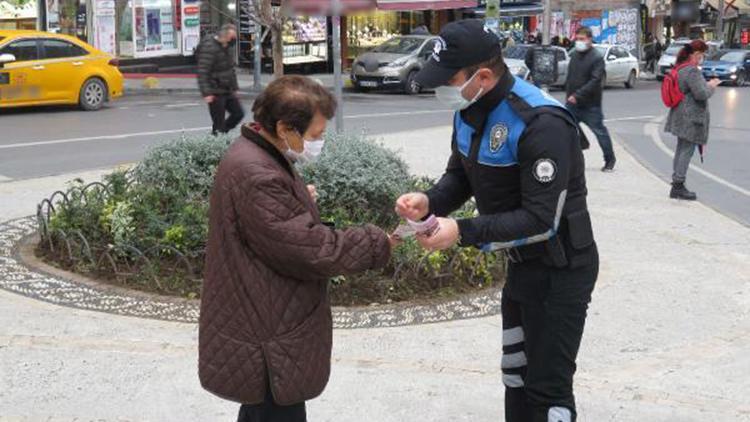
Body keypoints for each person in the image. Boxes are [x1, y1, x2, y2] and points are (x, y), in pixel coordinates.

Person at [399, 19, 598, 422]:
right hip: (522, 268)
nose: (441, 89)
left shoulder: (542, 123)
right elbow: (460, 175)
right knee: (515, 374)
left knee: (548, 390)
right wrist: (429, 202)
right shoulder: (470, 109)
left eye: (448, 79)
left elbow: (542, 220)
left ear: (483, 76)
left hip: (561, 271)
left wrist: (463, 231)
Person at [199, 75, 395, 422]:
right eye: (315, 135)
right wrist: (376, 240)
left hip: (267, 320)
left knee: (262, 411)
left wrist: (297, 198)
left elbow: (276, 227)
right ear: (285, 127)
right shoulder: (257, 173)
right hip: (270, 335)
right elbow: (308, 249)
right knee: (274, 411)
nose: (319, 142)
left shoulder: (259, 154)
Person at [664, 40, 720, 200]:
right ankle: (678, 185)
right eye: (702, 55)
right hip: (691, 117)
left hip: (680, 114)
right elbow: (701, 94)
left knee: (681, 148)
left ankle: (676, 181)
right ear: (695, 54)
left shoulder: (680, 67)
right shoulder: (692, 71)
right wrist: (711, 85)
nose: (703, 58)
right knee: (686, 150)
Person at [566, 26, 617, 172]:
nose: (579, 42)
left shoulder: (596, 58)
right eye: (577, 39)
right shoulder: (575, 55)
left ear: (589, 40)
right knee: (567, 129)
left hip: (590, 104)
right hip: (572, 104)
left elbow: (595, 81)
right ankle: (578, 152)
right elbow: (571, 78)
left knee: (600, 132)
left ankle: (609, 159)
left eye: (582, 39)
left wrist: (577, 95)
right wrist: (569, 96)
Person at [197, 23, 245, 135]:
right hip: (215, 91)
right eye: (232, 37)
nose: (233, 40)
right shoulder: (209, 47)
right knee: (218, 122)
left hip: (227, 89)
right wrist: (207, 93)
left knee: (238, 114)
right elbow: (203, 71)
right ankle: (217, 140)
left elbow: (230, 69)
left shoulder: (228, 47)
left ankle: (221, 133)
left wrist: (235, 87)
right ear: (225, 36)